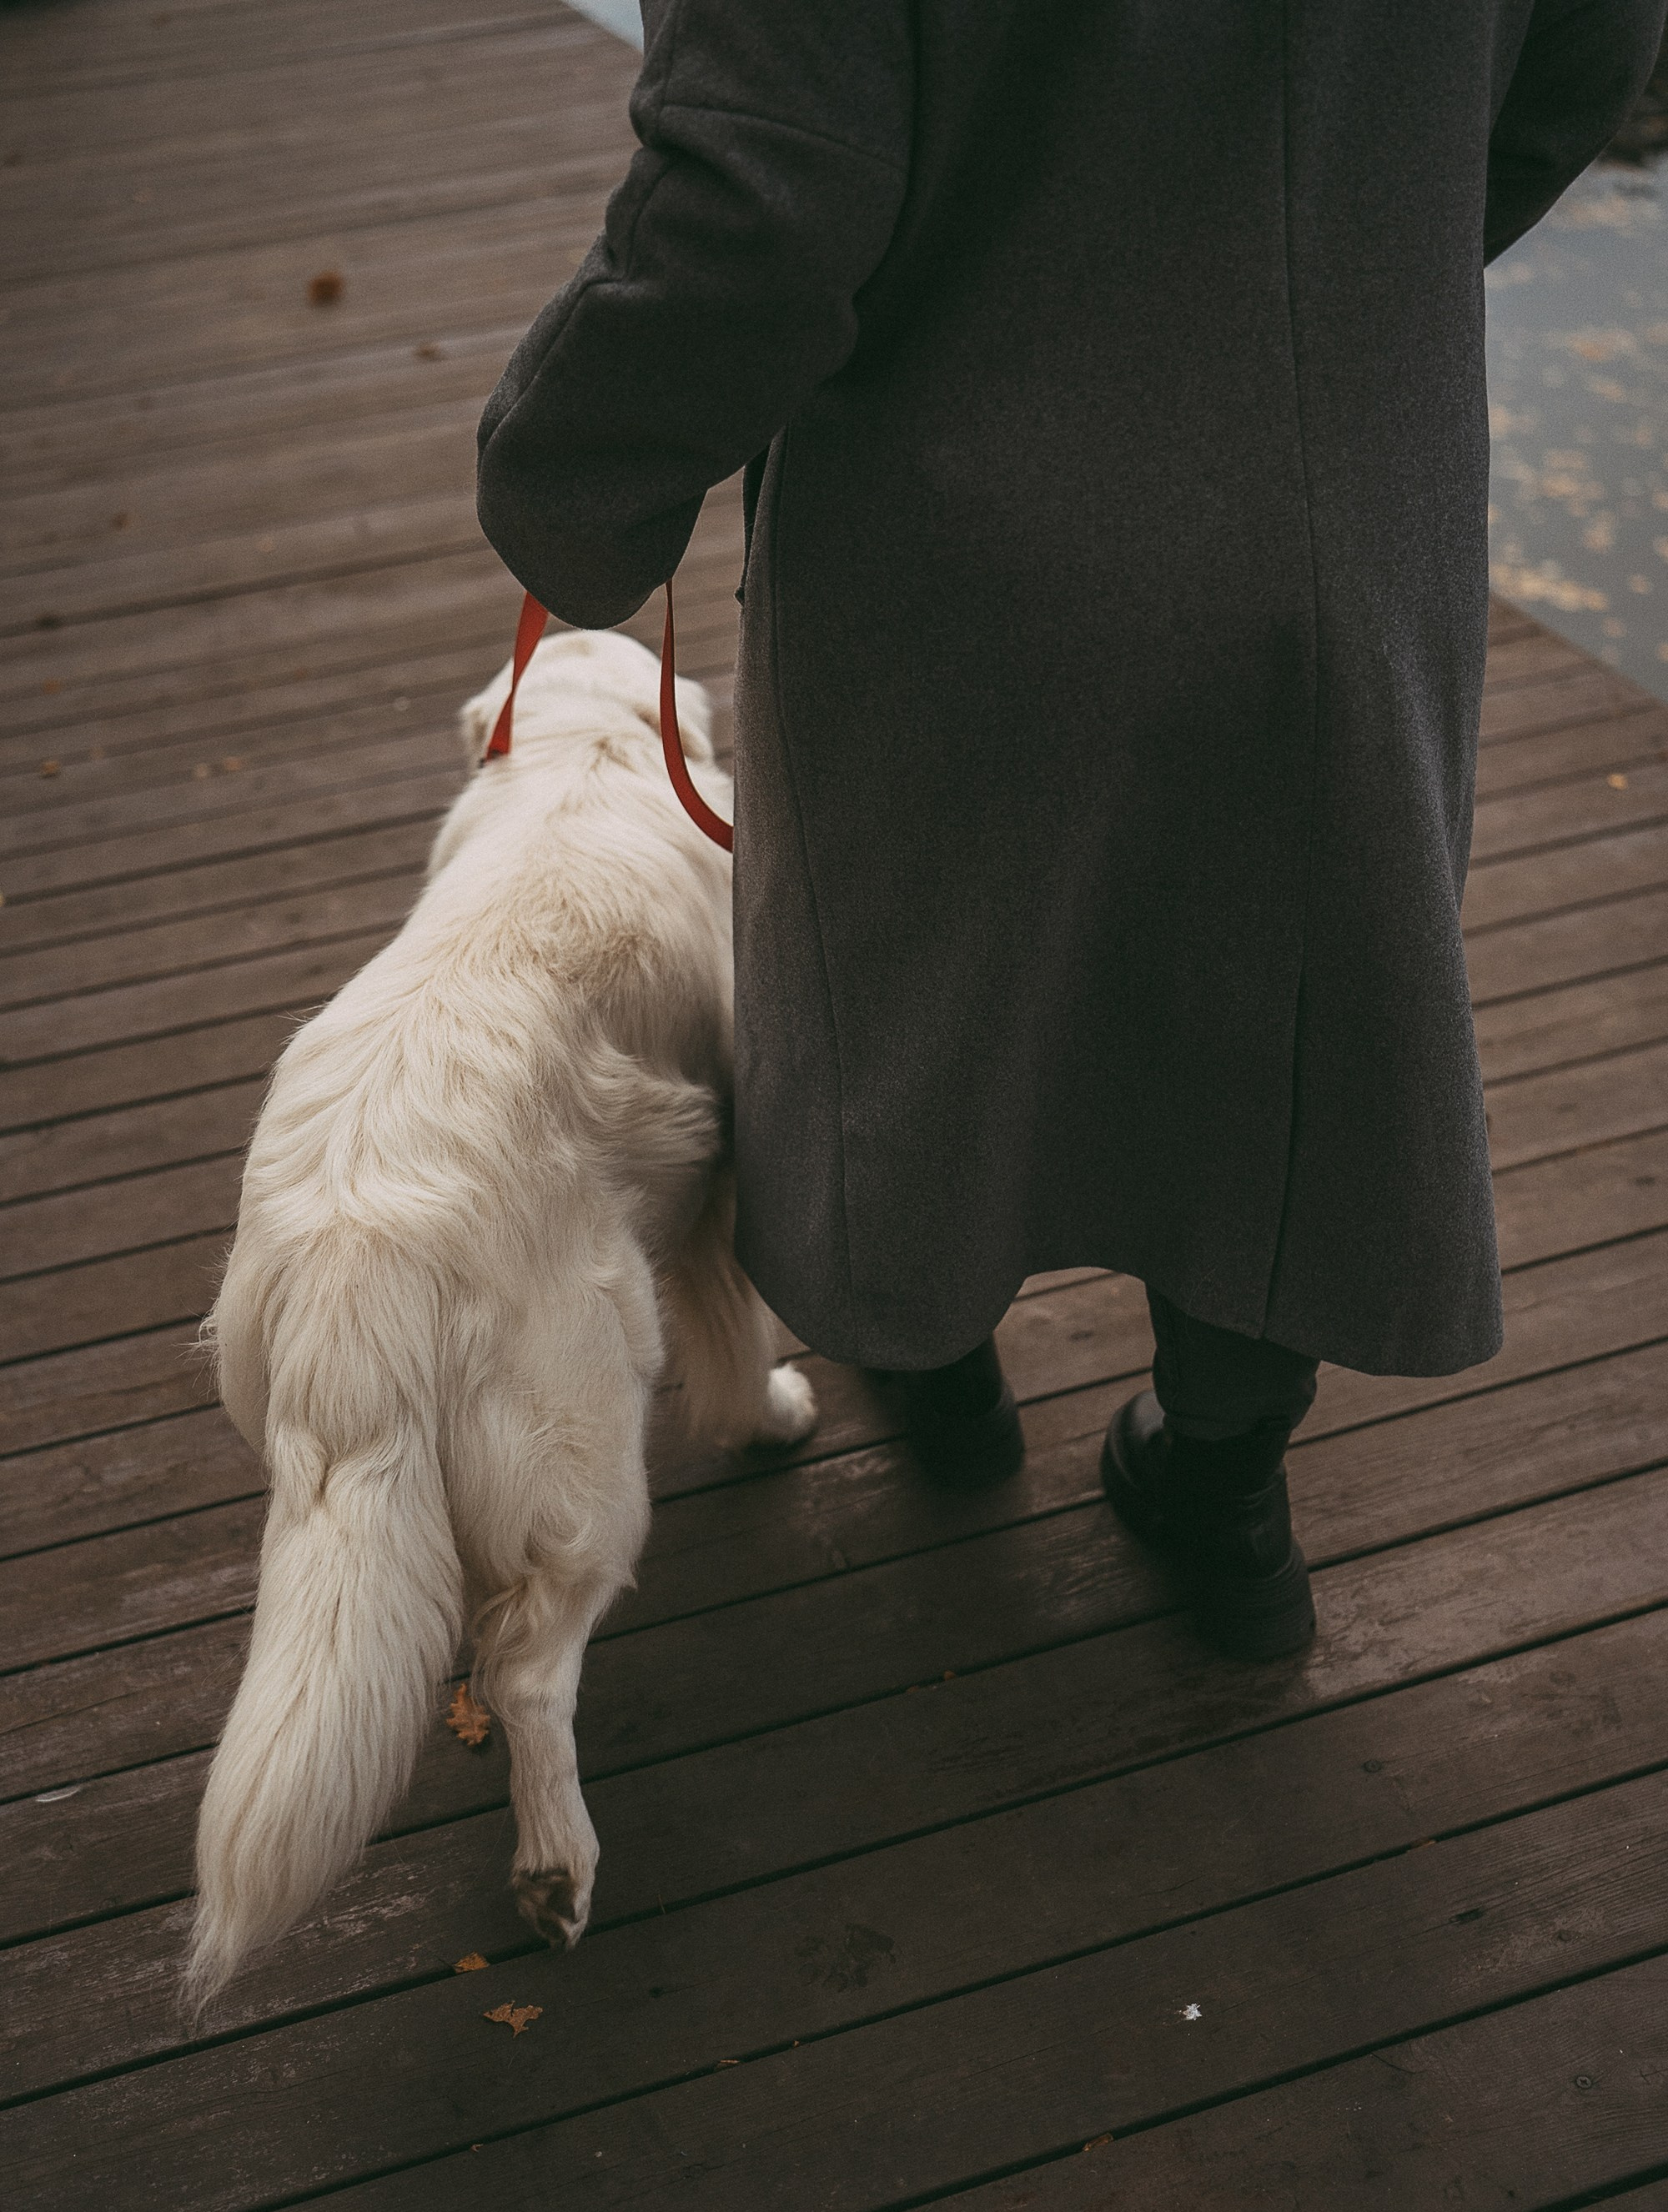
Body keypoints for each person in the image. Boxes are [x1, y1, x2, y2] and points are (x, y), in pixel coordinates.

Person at [477, 0, 1664, 1662]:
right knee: (1295, 1012)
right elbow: (1588, 55)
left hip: (960, 514)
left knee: (913, 972)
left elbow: (762, 195)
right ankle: (1225, 1488)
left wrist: (565, 477)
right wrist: (1344, 262)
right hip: (1345, 491)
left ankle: (935, 1374)